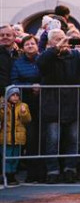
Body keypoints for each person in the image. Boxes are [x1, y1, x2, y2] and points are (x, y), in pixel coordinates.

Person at [37, 29, 80, 184]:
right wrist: (56, 49)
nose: (62, 42)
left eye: (63, 39)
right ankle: (52, 171)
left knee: (73, 139)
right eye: (57, 39)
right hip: (53, 104)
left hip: (73, 103)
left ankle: (70, 169)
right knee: (53, 139)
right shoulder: (46, 55)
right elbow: (42, 64)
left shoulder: (75, 55)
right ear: (50, 42)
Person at [10, 35, 46, 181]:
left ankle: (43, 173)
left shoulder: (43, 60)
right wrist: (29, 87)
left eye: (32, 43)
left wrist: (41, 85)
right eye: (27, 44)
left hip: (44, 102)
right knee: (31, 138)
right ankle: (32, 174)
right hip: (27, 103)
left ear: (37, 46)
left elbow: (48, 75)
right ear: (23, 48)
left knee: (44, 137)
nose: (30, 46)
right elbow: (14, 80)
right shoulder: (18, 63)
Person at [1, 86, 32, 185]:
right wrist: (2, 109)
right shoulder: (3, 105)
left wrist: (24, 113)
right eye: (12, 95)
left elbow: (27, 120)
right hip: (6, 138)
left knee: (15, 157)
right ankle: (7, 175)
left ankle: (13, 174)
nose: (15, 97)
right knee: (6, 157)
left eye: (17, 95)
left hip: (18, 138)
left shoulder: (23, 105)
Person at [0, 24, 16, 95]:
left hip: (16, 95)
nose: (5, 37)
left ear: (14, 37)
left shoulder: (20, 54)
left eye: (8, 35)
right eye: (2, 35)